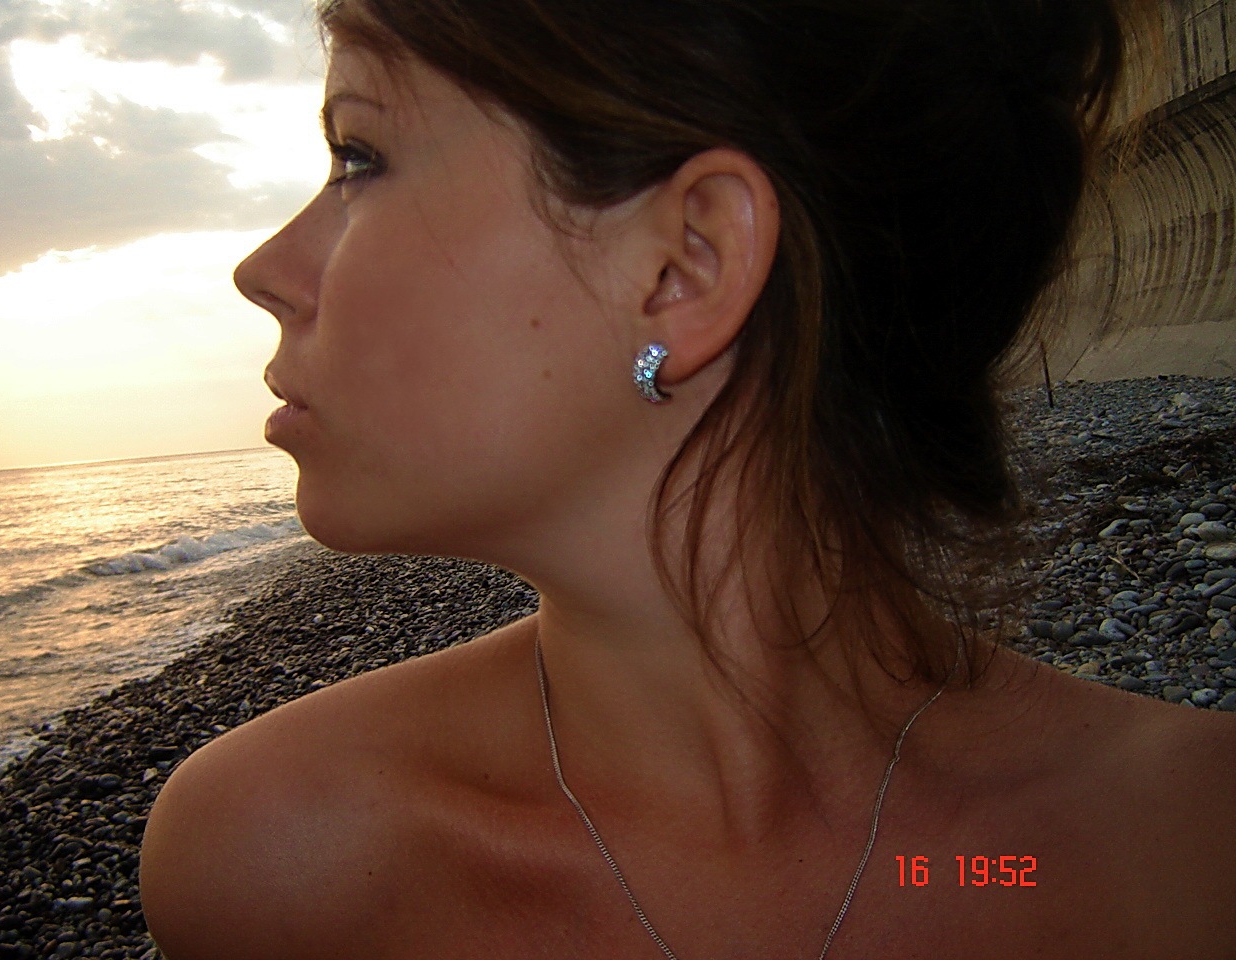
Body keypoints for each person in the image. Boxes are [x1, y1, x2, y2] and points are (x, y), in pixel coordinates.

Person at [139, 0, 1236, 956]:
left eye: (359, 156)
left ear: (685, 265)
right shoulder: (272, 867)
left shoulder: (1194, 849)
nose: (262, 271)